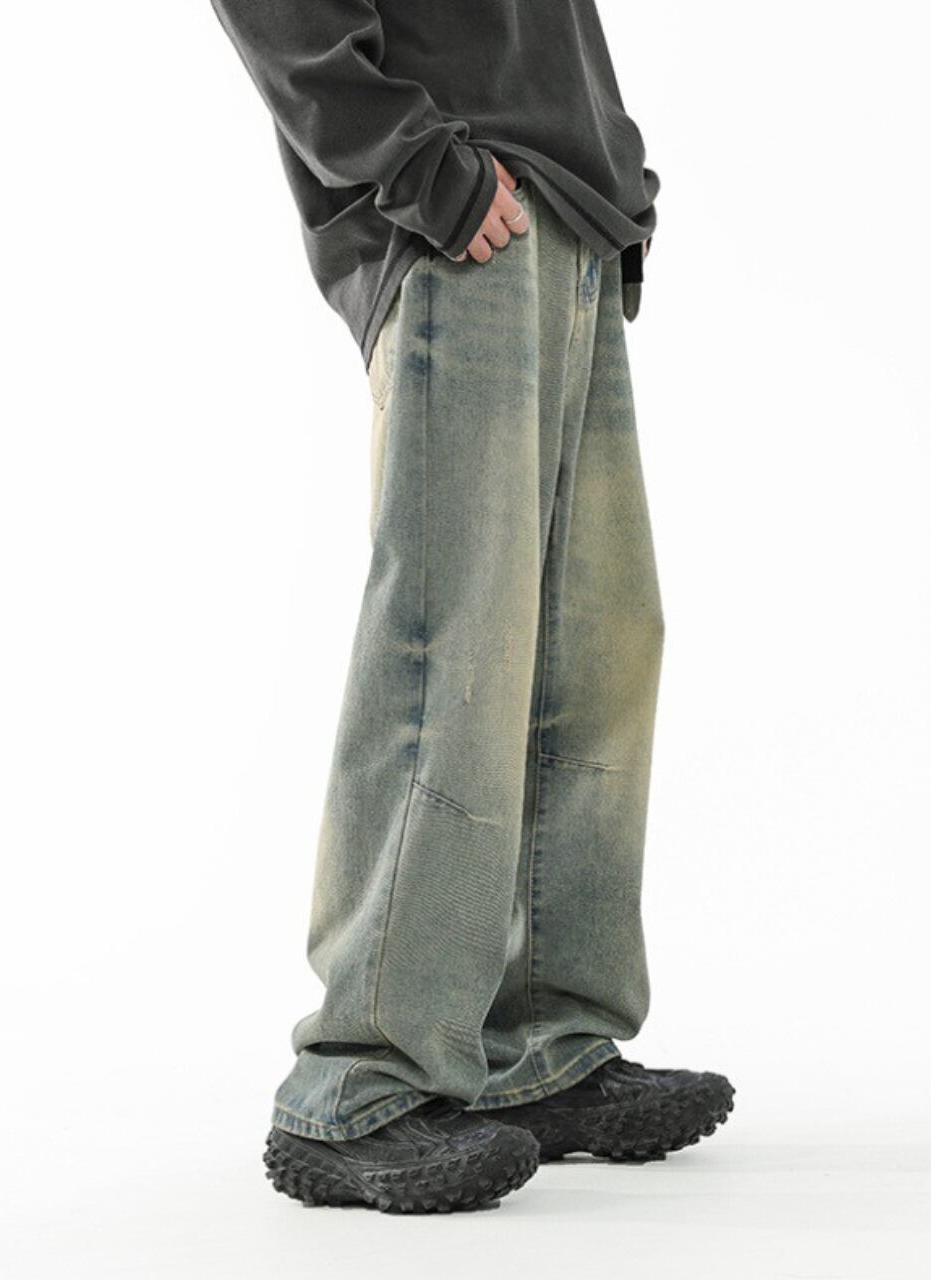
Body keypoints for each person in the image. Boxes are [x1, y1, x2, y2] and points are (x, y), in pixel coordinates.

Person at [209, 0, 733, 1213]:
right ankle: (360, 1076)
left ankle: (537, 1042)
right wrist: (417, 167)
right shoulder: (442, 190)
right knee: (455, 643)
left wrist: (611, 168)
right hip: (454, 216)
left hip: (565, 209)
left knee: (593, 647)